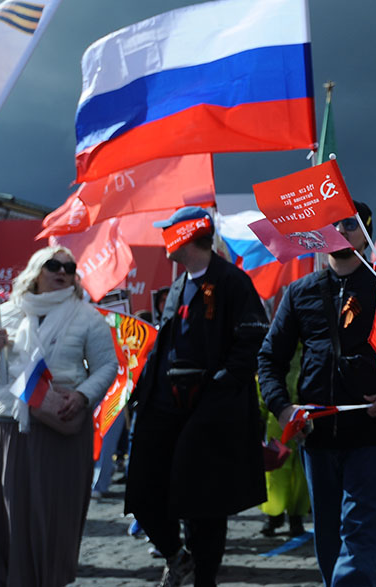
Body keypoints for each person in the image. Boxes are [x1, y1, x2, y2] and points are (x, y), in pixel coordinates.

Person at [125, 207, 269, 586]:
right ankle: (176, 556)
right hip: (164, 408)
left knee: (204, 503)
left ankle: (204, 578)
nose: (163, 238)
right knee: (142, 489)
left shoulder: (233, 282)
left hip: (208, 412)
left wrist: (217, 387)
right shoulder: (179, 283)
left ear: (186, 236)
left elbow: (252, 341)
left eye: (168, 231)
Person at [256, 202, 376, 586]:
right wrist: (283, 409)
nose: (340, 231)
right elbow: (269, 358)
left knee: (360, 526)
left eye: (350, 225)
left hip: (373, 432)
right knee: (328, 533)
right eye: (332, 225)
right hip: (317, 436)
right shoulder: (299, 292)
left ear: (365, 233)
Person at [0, 246, 117, 585]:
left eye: (69, 266)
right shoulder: (5, 314)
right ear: (36, 271)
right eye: (53, 265)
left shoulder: (87, 317)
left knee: (48, 521)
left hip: (57, 430)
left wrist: (82, 395)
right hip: (5, 431)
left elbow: (107, 365)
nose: (62, 271)